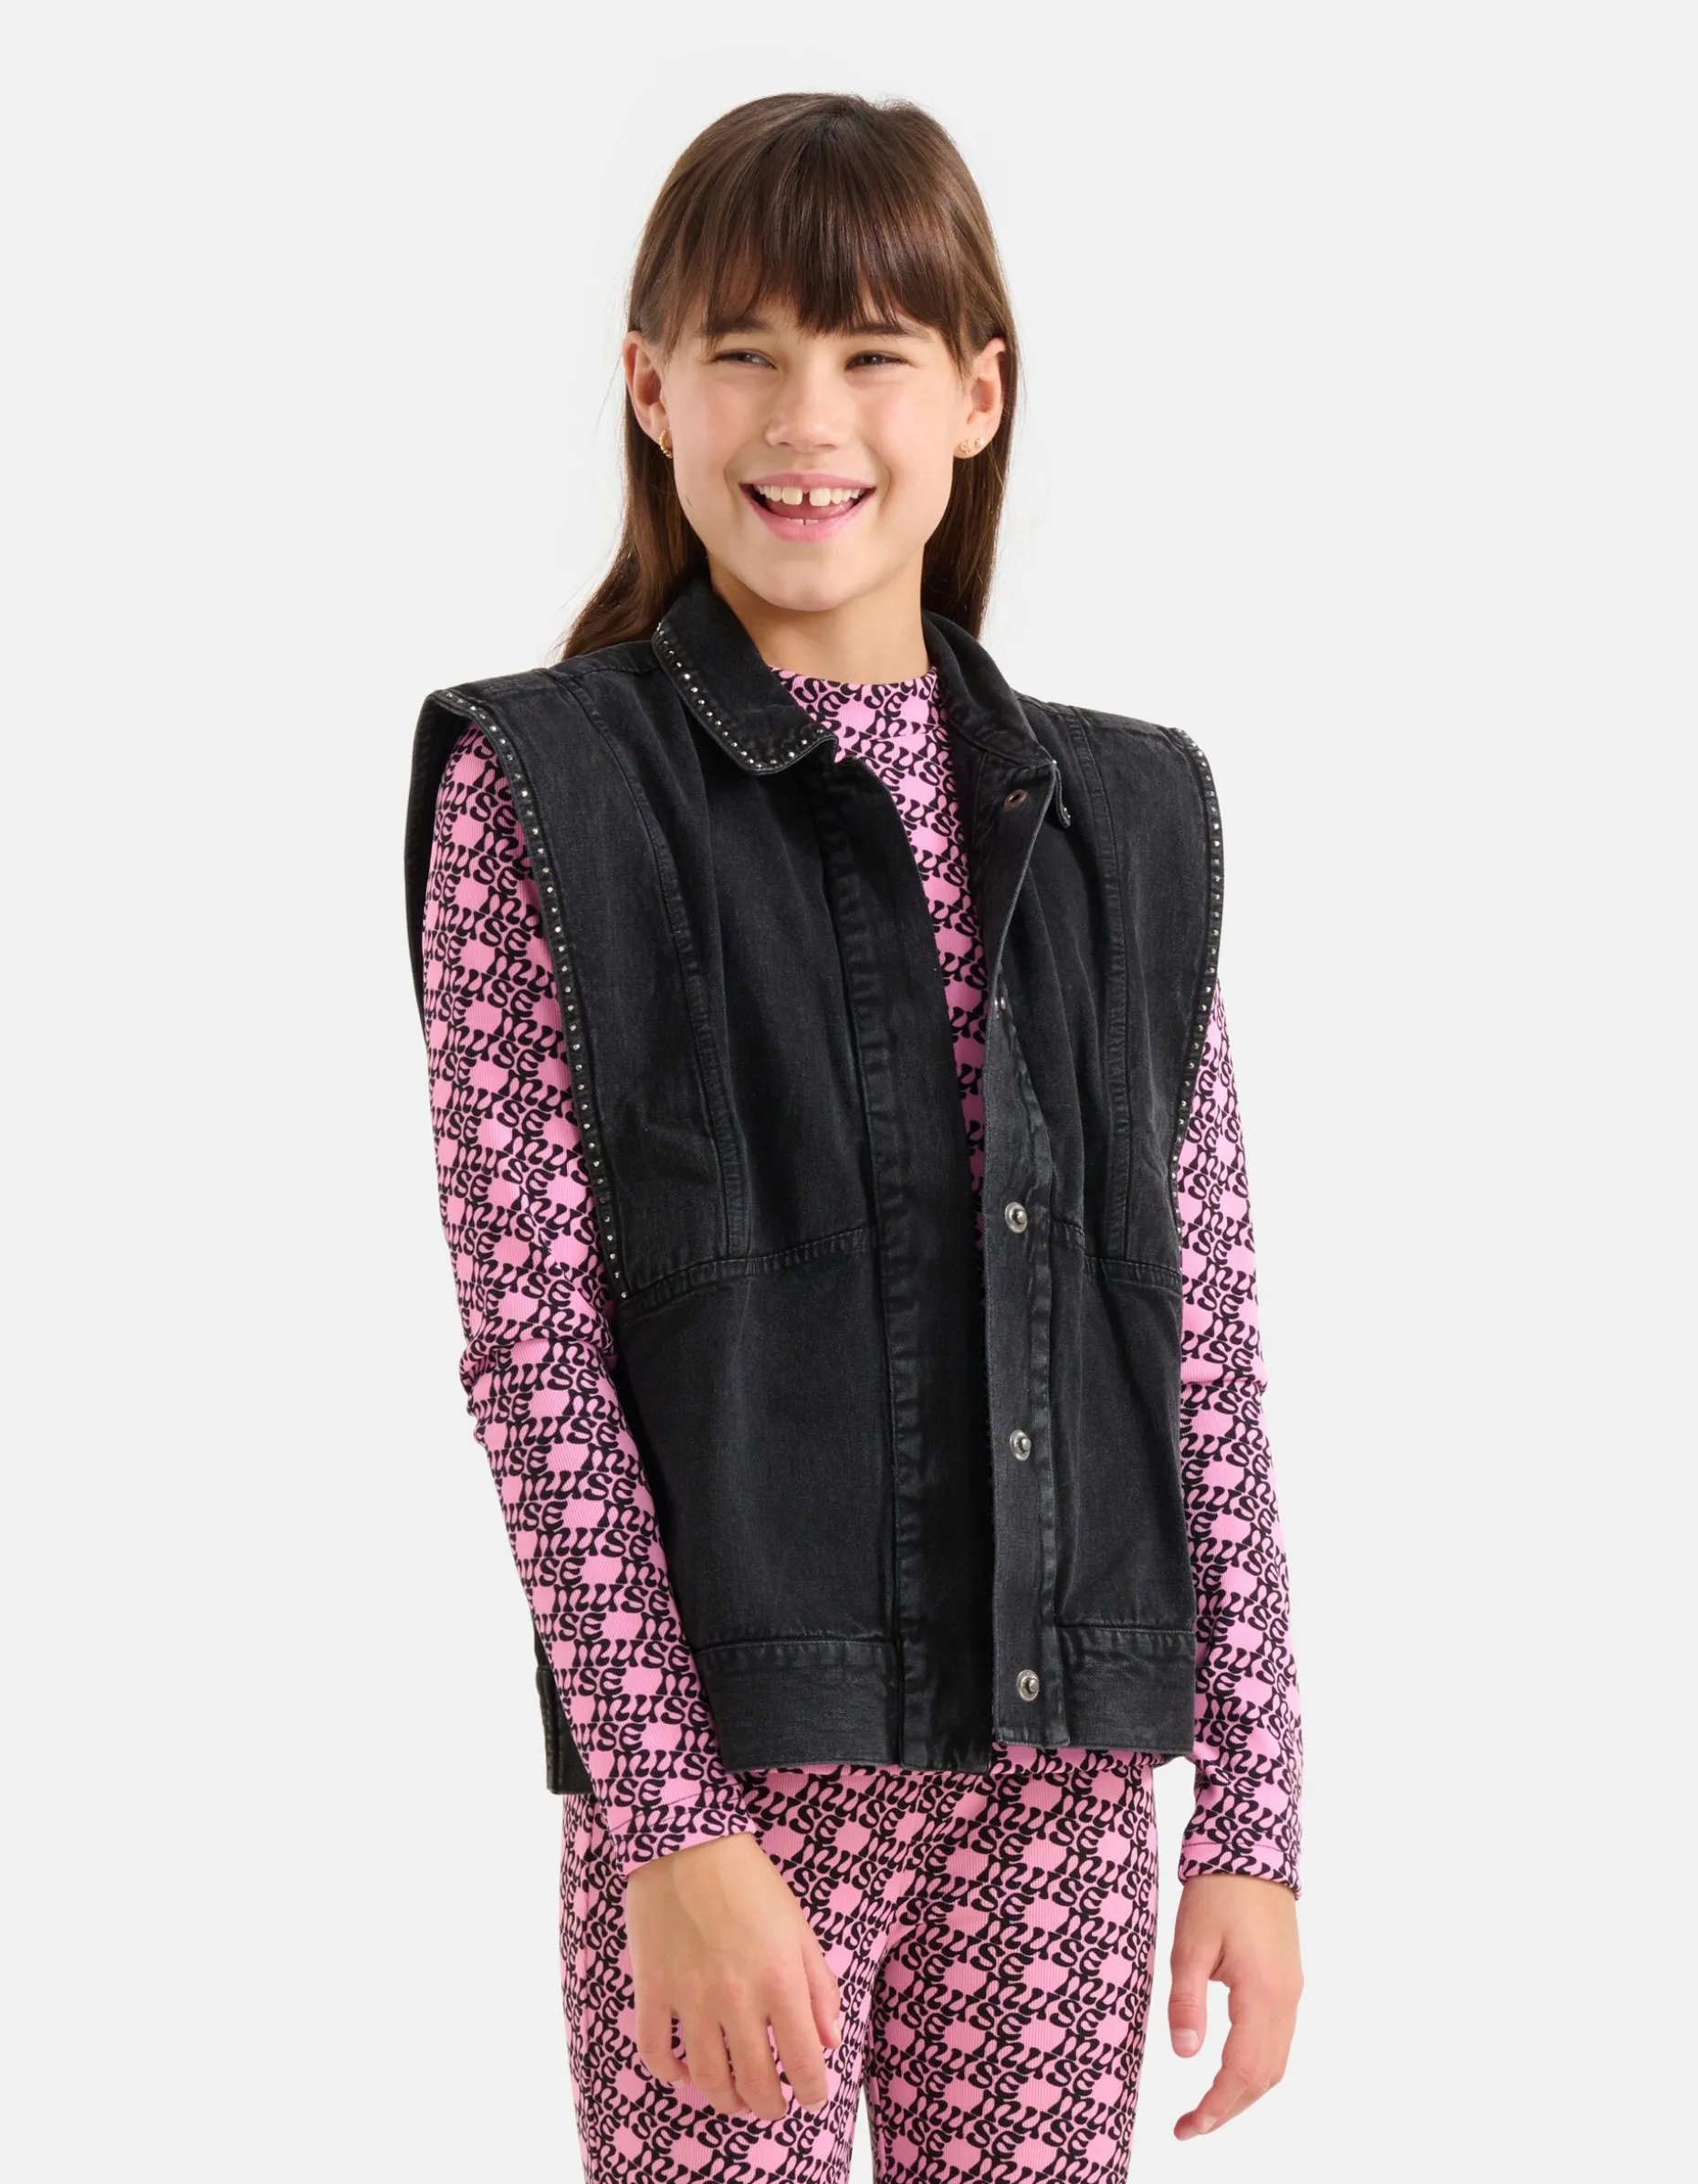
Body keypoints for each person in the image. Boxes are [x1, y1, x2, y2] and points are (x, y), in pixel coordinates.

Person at [404, 90, 1303, 2179]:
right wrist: (671, 1822)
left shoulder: (1129, 820)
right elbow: (538, 1361)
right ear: (652, 387)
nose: (806, 418)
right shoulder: (545, 796)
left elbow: (1205, 1342)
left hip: (1062, 1787)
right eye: (745, 349)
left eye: (871, 351)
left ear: (977, 394)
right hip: (734, 1777)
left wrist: (1256, 1814)